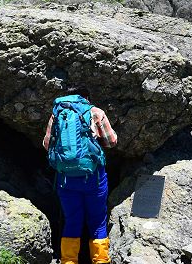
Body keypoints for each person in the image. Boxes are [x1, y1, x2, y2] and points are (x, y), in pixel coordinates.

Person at [43, 86, 118, 264]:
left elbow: (47, 145)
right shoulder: (95, 112)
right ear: (86, 97)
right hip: (93, 178)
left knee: (72, 221)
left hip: (66, 180)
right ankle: (100, 261)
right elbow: (112, 141)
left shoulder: (57, 114)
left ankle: (69, 261)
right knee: (98, 221)